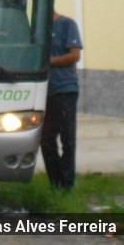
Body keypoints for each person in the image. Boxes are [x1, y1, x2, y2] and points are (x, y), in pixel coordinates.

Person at [40, 10, 83, 189]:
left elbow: (75, 55)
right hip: (44, 92)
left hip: (65, 90)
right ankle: (55, 183)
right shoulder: (38, 29)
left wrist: (49, 61)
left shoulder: (67, 24)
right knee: (46, 141)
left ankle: (66, 186)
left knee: (68, 140)